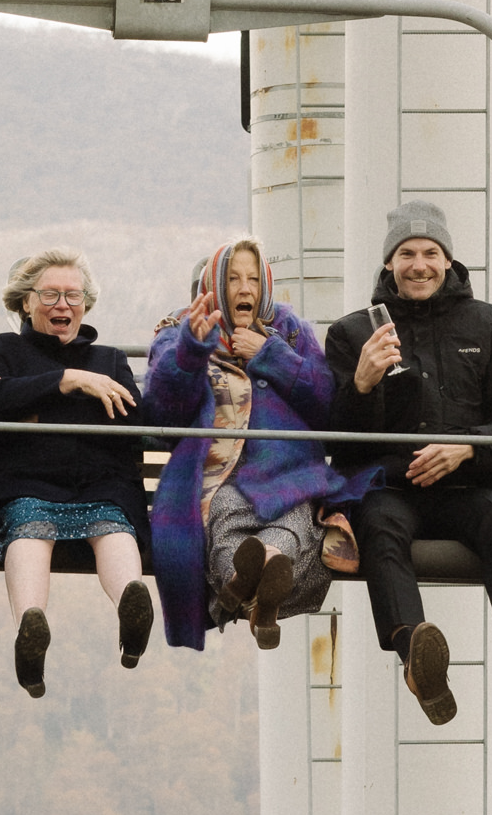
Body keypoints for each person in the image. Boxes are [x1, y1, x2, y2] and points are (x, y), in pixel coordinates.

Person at [322, 200, 492, 726]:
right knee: (379, 527)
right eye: (406, 253)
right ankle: (416, 655)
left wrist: (466, 448)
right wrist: (361, 385)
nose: (419, 264)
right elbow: (334, 438)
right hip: (390, 487)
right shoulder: (352, 335)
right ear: (389, 264)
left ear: (448, 261)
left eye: (431, 252)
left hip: (468, 486)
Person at [142, 240, 360, 652]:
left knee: (295, 517)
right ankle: (263, 594)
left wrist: (271, 354)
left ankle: (242, 590)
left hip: (289, 474)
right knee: (225, 519)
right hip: (220, 475)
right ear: (213, 285)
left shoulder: (289, 331)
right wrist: (191, 354)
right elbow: (162, 412)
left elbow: (326, 404)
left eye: (254, 280)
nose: (246, 290)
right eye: (234, 279)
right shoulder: (181, 329)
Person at [0, 249, 155, 698]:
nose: (62, 305)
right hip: (27, 477)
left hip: (99, 479)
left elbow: (132, 420)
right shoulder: (3, 349)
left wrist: (34, 410)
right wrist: (68, 382)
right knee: (30, 526)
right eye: (49, 294)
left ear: (86, 304)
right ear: (25, 303)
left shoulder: (109, 359)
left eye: (72, 295)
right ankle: (31, 626)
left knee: (113, 527)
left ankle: (132, 603)